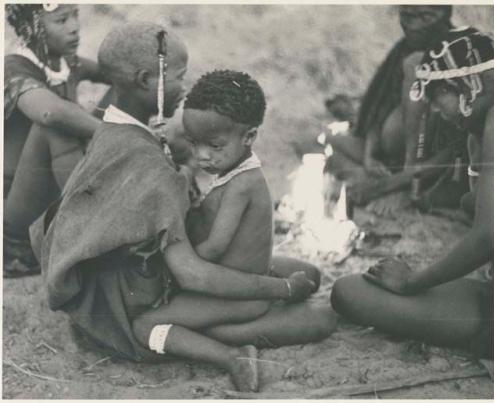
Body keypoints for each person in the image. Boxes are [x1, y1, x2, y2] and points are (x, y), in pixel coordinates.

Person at [30, 22, 337, 392]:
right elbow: (191, 275)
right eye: (178, 76)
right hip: (129, 305)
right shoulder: (145, 163)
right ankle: (223, 337)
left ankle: (226, 315)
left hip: (137, 275)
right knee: (316, 319)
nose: (184, 86)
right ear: (147, 80)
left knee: (308, 274)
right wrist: (281, 290)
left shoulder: (112, 128)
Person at [331, 27, 494, 359]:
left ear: (466, 86)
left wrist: (413, 282)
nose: (434, 110)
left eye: (437, 97)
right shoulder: (477, 130)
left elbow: (488, 236)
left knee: (350, 293)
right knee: (349, 290)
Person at [184, 69, 321, 292]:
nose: (201, 155)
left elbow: (215, 247)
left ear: (248, 137)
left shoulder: (242, 184)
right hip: (241, 274)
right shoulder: (231, 171)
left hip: (240, 289)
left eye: (214, 146)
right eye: (193, 143)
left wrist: (181, 262)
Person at [323, 5, 469, 211]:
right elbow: (380, 108)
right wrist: (370, 155)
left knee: (415, 63)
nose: (413, 26)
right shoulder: (402, 49)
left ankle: (407, 187)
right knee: (330, 141)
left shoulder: (458, 54)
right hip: (390, 158)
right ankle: (393, 177)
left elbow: (456, 150)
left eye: (425, 16)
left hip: (424, 165)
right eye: (407, 16)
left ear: (445, 14)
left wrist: (391, 184)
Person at [4, 4, 109, 276]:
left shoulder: (65, 61)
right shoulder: (13, 68)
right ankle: (91, 230)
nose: (74, 26)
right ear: (33, 27)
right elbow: (49, 113)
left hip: (51, 193)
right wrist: (120, 134)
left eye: (75, 14)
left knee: (128, 89)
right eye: (61, 20)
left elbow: (119, 73)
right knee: (56, 125)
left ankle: (105, 213)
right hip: (14, 215)